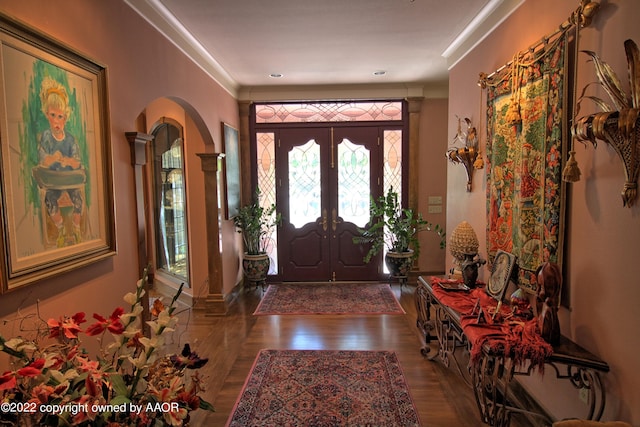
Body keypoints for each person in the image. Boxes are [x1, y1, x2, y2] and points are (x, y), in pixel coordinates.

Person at [38, 77, 84, 246]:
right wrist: (52, 159)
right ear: (47, 115)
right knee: (49, 199)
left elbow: (77, 163)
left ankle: (76, 228)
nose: (57, 121)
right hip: (53, 181)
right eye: (53, 116)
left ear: (65, 118)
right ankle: (61, 228)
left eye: (60, 117)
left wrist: (68, 161)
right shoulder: (46, 138)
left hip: (69, 180)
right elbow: (42, 160)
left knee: (78, 198)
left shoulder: (70, 140)